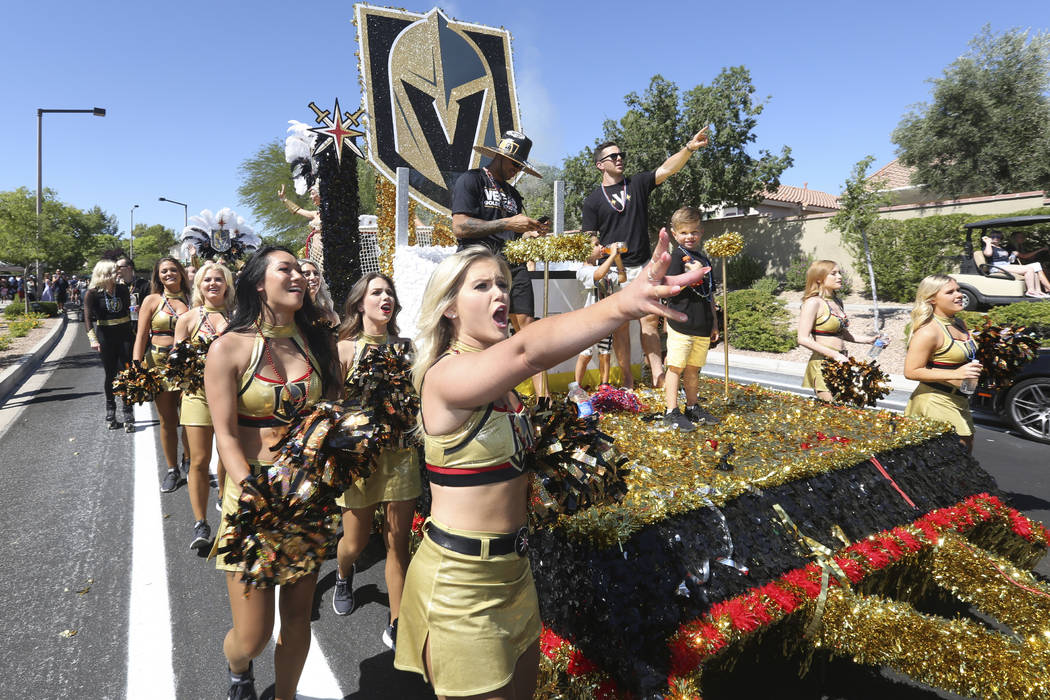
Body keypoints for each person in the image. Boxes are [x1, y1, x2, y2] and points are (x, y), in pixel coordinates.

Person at [393, 232, 703, 698]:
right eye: (481, 286)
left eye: (502, 282)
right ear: (449, 308)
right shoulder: (446, 377)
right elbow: (528, 349)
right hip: (460, 583)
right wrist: (624, 303)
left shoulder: (503, 387)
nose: (499, 292)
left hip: (516, 573)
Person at [205, 246, 341, 700]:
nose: (298, 275)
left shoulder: (315, 341)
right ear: (259, 282)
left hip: (308, 496)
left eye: (301, 270)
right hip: (253, 498)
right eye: (286, 269)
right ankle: (238, 665)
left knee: (300, 616)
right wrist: (250, 488)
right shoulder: (227, 347)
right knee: (254, 636)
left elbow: (332, 413)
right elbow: (224, 435)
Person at [331, 273, 420, 654]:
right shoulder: (345, 350)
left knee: (398, 544)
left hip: (401, 456)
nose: (385, 298)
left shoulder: (407, 347)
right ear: (359, 304)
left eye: (389, 293)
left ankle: (396, 622)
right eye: (376, 292)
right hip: (360, 462)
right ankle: (343, 573)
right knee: (355, 541)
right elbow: (330, 408)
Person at [581, 127, 711, 389]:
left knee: (650, 320)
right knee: (619, 327)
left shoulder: (637, 183)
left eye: (621, 155)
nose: (619, 158)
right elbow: (590, 240)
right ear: (600, 165)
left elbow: (667, 169)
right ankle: (627, 377)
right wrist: (602, 254)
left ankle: (657, 375)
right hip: (615, 272)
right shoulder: (592, 200)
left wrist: (689, 148)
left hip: (644, 267)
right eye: (613, 156)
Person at [451, 130, 551, 406]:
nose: (516, 170)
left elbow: (513, 235)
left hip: (513, 264)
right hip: (479, 262)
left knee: (529, 327)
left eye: (520, 166)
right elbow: (459, 226)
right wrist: (507, 223)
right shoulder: (471, 180)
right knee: (481, 329)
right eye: (513, 163)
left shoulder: (513, 194)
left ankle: (544, 402)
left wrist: (532, 230)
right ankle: (479, 394)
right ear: (498, 155)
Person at [173, 261, 233, 551]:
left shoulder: (239, 317)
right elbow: (177, 362)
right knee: (198, 459)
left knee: (228, 453)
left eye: (218, 279)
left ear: (227, 284)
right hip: (196, 395)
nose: (212, 283)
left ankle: (224, 499)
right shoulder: (186, 319)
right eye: (207, 279)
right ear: (199, 285)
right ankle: (200, 522)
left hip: (233, 396)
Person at [904, 274, 983, 454]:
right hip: (935, 401)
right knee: (953, 459)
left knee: (963, 454)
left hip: (959, 399)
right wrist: (956, 374)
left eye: (958, 290)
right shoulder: (928, 331)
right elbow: (911, 371)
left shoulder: (959, 323)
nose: (959, 295)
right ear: (932, 299)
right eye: (950, 292)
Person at [133, 257, 191, 489]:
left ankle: (189, 459)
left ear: (181, 273)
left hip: (188, 365)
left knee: (191, 418)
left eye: (173, 270)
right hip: (158, 363)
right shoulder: (151, 300)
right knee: (168, 420)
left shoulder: (193, 298)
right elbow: (141, 334)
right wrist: (136, 365)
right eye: (164, 271)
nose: (169, 274)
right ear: (158, 276)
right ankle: (172, 469)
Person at [661, 208, 720, 431]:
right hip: (681, 324)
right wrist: (692, 275)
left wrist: (714, 322)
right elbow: (669, 287)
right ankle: (671, 411)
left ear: (701, 232)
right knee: (675, 367)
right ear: (675, 234)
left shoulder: (704, 259)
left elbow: (710, 295)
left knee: (694, 368)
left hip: (702, 324)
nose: (690, 236)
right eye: (684, 232)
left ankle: (692, 407)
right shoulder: (675, 257)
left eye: (694, 231)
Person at [797, 260, 881, 402]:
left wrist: (868, 340)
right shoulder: (813, 303)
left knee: (846, 409)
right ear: (819, 278)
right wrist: (834, 354)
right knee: (832, 412)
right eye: (833, 274)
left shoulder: (837, 301)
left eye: (840, 273)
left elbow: (843, 333)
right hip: (823, 364)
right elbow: (802, 338)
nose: (840, 277)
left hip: (841, 362)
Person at [84, 260, 135, 430]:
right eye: (114, 271)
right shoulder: (92, 293)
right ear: (104, 273)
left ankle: (127, 409)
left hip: (125, 335)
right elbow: (87, 318)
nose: (118, 273)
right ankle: (110, 408)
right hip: (106, 336)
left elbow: (129, 310)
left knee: (125, 372)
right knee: (110, 373)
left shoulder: (122, 289)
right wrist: (92, 338)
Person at [574, 238, 627, 387]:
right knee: (586, 354)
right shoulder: (583, 271)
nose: (601, 247)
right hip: (589, 321)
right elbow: (597, 275)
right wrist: (611, 257)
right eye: (596, 245)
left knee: (605, 353)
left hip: (606, 319)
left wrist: (617, 259)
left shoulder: (607, 268)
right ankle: (576, 386)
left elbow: (622, 278)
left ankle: (605, 386)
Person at [983, 230, 1050, 298]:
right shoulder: (989, 247)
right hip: (997, 267)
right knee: (1029, 269)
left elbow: (1009, 260)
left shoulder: (1000, 247)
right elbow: (988, 254)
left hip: (1006, 265)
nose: (996, 238)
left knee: (1035, 269)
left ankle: (1038, 291)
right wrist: (988, 242)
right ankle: (1030, 291)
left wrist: (1013, 256)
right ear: (990, 237)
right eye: (993, 236)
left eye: (998, 236)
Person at [278, 183, 323, 268]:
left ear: (321, 194)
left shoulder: (332, 213)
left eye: (313, 194)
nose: (310, 197)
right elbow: (298, 210)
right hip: (314, 250)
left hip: (326, 248)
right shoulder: (315, 214)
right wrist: (284, 199)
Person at [299, 259, 339, 325]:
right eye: (307, 274)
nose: (313, 277)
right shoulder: (290, 313)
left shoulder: (330, 315)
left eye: (316, 273)